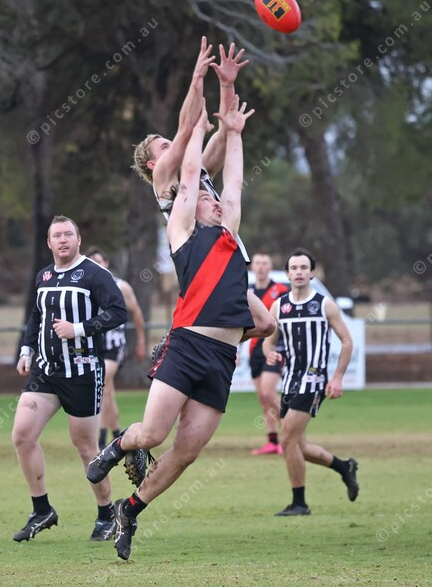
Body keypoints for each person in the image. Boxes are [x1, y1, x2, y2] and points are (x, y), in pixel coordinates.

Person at [87, 95, 254, 560]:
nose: (213, 200)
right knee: (153, 435)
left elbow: (232, 180)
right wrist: (197, 122)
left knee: (187, 452)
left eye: (214, 199)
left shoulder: (228, 229)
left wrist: (233, 128)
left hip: (222, 356)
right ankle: (117, 447)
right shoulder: (182, 228)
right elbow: (190, 167)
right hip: (188, 343)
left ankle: (130, 510)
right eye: (204, 198)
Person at [131, 36, 275, 341]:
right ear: (153, 164)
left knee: (266, 324)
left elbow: (225, 131)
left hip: (227, 258)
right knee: (244, 324)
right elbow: (186, 128)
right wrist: (197, 77)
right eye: (165, 146)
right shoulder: (164, 179)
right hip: (200, 264)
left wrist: (226, 85)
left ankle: (201, 337)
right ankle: (186, 338)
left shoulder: (199, 171)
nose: (173, 146)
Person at [12, 216, 127, 542]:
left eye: (68, 234)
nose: (62, 240)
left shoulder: (95, 274)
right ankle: (42, 510)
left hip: (82, 373)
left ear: (78, 240)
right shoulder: (44, 276)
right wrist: (26, 350)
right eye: (57, 235)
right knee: (22, 435)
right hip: (46, 373)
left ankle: (106, 515)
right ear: (49, 242)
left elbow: (118, 311)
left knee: (86, 447)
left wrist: (79, 329)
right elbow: (36, 316)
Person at [262, 248, 360, 516]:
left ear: (312, 273)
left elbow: (347, 341)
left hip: (314, 381)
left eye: (304, 268)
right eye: (294, 268)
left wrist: (337, 377)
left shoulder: (324, 304)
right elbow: (268, 341)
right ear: (287, 274)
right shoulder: (278, 306)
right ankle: (345, 467)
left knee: (286, 439)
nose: (299, 272)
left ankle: (300, 503)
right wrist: (269, 352)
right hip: (289, 381)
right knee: (299, 447)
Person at [85, 247, 147, 450]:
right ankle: (117, 433)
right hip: (95, 346)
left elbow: (136, 312)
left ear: (106, 263)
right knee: (108, 391)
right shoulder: (86, 287)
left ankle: (102, 437)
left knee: (102, 382)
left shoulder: (120, 286)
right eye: (91, 261)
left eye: (98, 261)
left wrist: (141, 341)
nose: (95, 265)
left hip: (114, 346)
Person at [248, 253, 289, 455]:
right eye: (257, 263)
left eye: (265, 263)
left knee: (268, 393)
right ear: (252, 267)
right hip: (254, 349)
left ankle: (291, 430)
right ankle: (273, 441)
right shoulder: (247, 292)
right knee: (263, 398)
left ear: (270, 267)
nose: (261, 267)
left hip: (275, 348)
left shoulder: (280, 290)